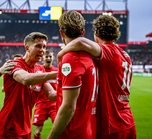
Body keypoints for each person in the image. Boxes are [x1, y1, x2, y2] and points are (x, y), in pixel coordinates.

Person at [57, 14, 136, 139]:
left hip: (112, 125)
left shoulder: (109, 53)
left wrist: (60, 54)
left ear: (96, 32)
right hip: (127, 120)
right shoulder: (124, 54)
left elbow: (80, 41)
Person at [47, 10, 98, 139]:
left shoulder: (71, 59)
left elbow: (69, 108)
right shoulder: (91, 56)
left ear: (61, 33)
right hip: (87, 129)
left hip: (72, 133)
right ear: (84, 32)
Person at [0, 32, 57, 139]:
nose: (42, 50)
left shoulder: (39, 69)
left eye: (44, 46)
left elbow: (51, 94)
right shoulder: (14, 64)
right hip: (10, 125)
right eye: (38, 46)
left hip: (26, 126)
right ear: (27, 48)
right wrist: (59, 73)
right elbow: (25, 79)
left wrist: (74, 91)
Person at [32, 49, 58, 139]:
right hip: (41, 103)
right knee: (38, 131)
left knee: (58, 127)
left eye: (50, 56)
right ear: (43, 57)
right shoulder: (39, 70)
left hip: (54, 104)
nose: (48, 58)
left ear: (53, 58)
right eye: (46, 56)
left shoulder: (56, 71)